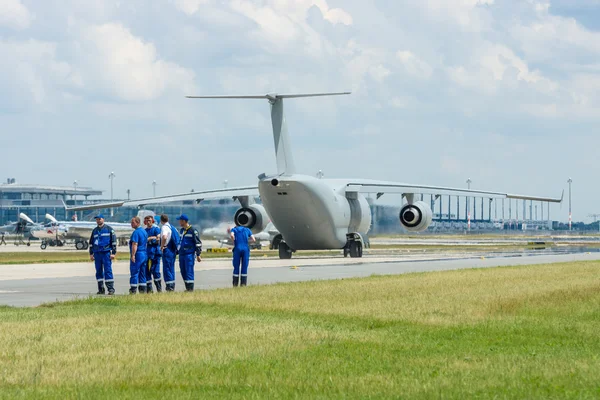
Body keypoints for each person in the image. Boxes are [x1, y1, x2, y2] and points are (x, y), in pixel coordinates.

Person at [89, 214, 117, 295]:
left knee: (108, 271)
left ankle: (110, 289)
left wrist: (113, 253)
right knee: (98, 271)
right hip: (97, 253)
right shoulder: (94, 231)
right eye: (97, 219)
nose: (98, 221)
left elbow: (114, 242)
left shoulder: (109, 229)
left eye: (99, 219)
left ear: (103, 219)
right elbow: (91, 243)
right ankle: (101, 289)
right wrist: (91, 254)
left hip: (106, 253)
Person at [176, 214, 202, 292]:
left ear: (184, 221)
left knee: (189, 271)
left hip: (189, 254)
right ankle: (187, 287)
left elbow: (198, 243)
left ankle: (190, 289)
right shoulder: (181, 230)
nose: (179, 222)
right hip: (182, 254)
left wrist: (198, 254)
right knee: (183, 271)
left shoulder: (193, 230)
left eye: (180, 220)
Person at [129, 216, 148, 294]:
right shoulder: (144, 231)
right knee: (142, 273)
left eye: (133, 222)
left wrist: (133, 255)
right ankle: (143, 289)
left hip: (138, 254)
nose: (131, 224)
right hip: (144, 253)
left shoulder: (136, 232)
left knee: (135, 271)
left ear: (137, 222)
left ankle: (133, 289)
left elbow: (135, 244)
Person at [160, 214, 178, 292]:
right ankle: (172, 285)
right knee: (171, 268)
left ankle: (169, 287)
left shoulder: (164, 227)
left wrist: (161, 246)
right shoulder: (172, 227)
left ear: (161, 220)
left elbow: (164, 237)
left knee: (167, 268)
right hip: (172, 250)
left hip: (167, 249)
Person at [144, 215, 162, 293]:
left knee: (156, 271)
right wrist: (151, 238)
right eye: (147, 220)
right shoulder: (145, 231)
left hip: (155, 253)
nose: (148, 222)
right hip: (147, 253)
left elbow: (158, 238)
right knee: (147, 271)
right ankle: (149, 289)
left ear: (152, 221)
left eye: (150, 220)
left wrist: (150, 238)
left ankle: (159, 288)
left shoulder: (156, 229)